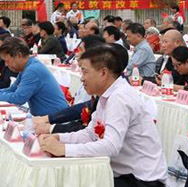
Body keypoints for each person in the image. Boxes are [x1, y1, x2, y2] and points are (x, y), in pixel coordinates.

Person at [39, 44, 168, 187]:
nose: (82, 78)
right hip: (123, 175)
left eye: (85, 72)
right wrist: (59, 138)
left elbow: (111, 146)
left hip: (142, 180)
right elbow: (90, 134)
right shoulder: (106, 95)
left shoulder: (120, 97)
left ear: (103, 73)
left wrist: (64, 149)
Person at [0, 37, 68, 116]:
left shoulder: (32, 70)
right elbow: (11, 89)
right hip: (46, 117)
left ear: (19, 55)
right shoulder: (27, 67)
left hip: (55, 118)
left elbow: (18, 98)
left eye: (7, 61)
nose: (6, 65)